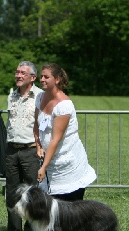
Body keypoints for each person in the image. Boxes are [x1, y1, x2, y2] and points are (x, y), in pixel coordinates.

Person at [34, 63, 97, 201]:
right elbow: (36, 125)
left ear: (57, 79)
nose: (42, 79)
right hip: (49, 160)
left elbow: (55, 139)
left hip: (67, 162)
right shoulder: (40, 97)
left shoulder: (64, 105)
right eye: (41, 76)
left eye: (46, 77)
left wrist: (43, 166)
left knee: (71, 211)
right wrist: (38, 145)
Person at [2, 61, 43, 231]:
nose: (18, 75)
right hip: (12, 150)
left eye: (22, 73)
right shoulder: (12, 96)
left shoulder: (41, 96)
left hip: (31, 150)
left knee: (33, 193)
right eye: (16, 72)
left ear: (32, 77)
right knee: (11, 193)